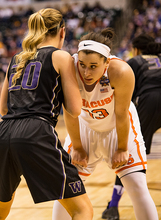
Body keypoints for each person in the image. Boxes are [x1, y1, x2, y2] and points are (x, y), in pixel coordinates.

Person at [0, 8, 93, 220]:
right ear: (62, 32)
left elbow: (3, 109)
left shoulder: (16, 58)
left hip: (1, 135)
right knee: (82, 210)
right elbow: (74, 109)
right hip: (36, 132)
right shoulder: (61, 56)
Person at [52, 28, 159, 220]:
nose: (86, 72)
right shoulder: (69, 68)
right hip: (83, 127)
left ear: (106, 62)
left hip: (117, 128)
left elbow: (121, 114)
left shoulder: (122, 71)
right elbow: (69, 112)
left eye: (93, 66)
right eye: (83, 65)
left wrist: (121, 147)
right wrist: (76, 146)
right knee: (67, 190)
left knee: (136, 186)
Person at [102, 34, 161, 220]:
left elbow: (125, 93)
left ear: (136, 49)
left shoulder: (135, 61)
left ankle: (113, 206)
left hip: (149, 99)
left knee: (130, 155)